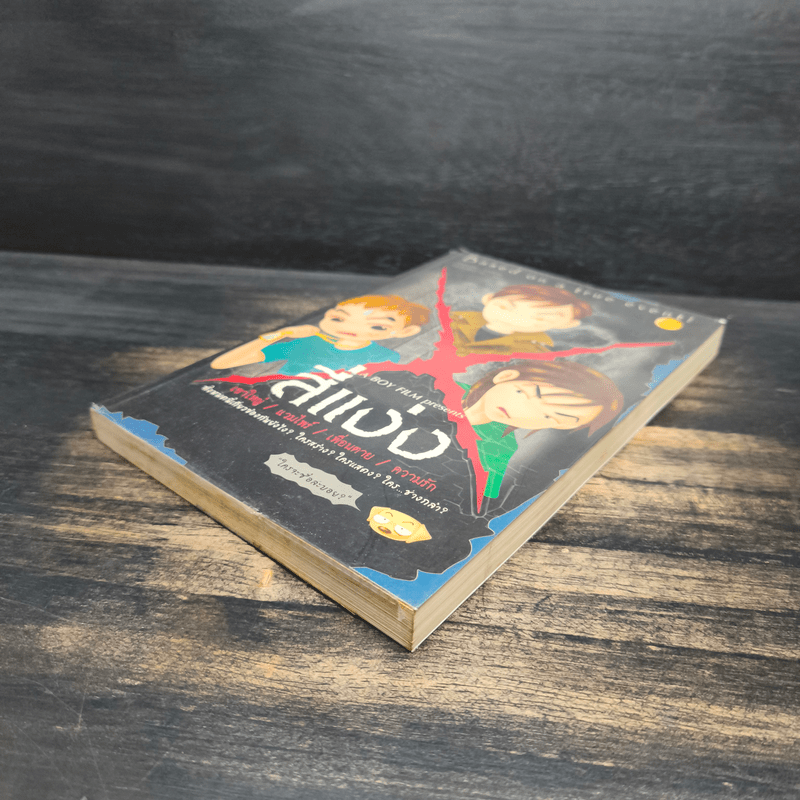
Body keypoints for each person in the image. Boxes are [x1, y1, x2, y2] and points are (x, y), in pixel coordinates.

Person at [461, 360, 623, 498]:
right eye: (537, 394)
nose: (526, 412)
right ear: (506, 376)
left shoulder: (499, 453)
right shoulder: (448, 386)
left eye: (549, 417)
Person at [211, 294, 430, 374]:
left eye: (378, 326)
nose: (353, 328)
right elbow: (222, 363)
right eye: (339, 318)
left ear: (406, 332)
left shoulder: (386, 357)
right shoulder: (307, 344)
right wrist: (279, 334)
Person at [450, 284, 593, 356]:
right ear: (488, 299)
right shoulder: (454, 320)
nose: (519, 318)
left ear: (566, 325)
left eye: (542, 316)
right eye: (506, 306)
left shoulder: (532, 352)